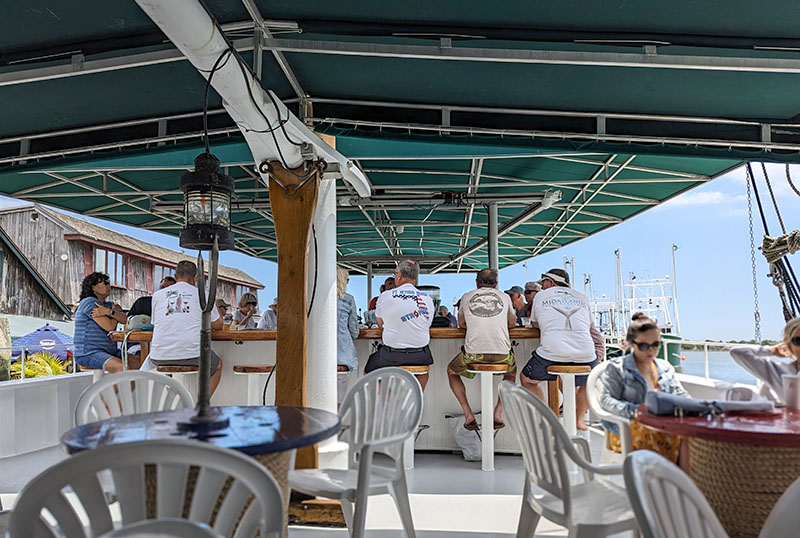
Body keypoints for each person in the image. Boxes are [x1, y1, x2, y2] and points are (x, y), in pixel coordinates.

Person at [600, 313, 689, 468]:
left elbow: (680, 394)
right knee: (668, 438)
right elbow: (606, 400)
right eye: (644, 345)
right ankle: (659, 486)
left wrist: (695, 406)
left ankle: (683, 488)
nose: (651, 350)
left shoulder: (665, 367)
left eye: (656, 345)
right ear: (631, 343)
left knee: (693, 437)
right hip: (627, 429)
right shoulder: (617, 367)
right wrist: (637, 411)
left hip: (663, 425)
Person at [520, 268, 597, 430]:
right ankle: (579, 418)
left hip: (552, 352)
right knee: (588, 383)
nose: (542, 287)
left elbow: (535, 325)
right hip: (587, 354)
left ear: (551, 282)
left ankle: (548, 416)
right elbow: (590, 326)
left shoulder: (541, 296)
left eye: (544, 284)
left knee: (527, 379)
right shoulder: (582, 297)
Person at [448, 269, 517, 430]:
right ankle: (498, 413)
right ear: (496, 284)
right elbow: (512, 323)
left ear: (477, 282)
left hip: (473, 355)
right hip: (502, 355)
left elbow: (462, 324)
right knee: (511, 373)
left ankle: (468, 414)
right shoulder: (505, 297)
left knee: (452, 371)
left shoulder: (466, 296)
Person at [148, 260, 223, 395]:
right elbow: (218, 325)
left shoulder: (157, 295)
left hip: (158, 356)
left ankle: (173, 401)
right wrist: (212, 300)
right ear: (195, 278)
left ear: (175, 277)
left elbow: (155, 323)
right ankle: (201, 406)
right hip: (191, 354)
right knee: (217, 365)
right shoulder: (203, 294)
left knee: (165, 366)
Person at [365, 260, 434, 389]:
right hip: (420, 355)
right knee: (423, 373)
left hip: (392, 355)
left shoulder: (385, 296)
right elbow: (426, 324)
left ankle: (385, 405)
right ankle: (415, 403)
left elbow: (380, 325)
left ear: (399, 275)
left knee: (369, 370)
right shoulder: (427, 298)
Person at [74, 272, 140, 373]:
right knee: (121, 367)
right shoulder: (89, 302)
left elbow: (127, 320)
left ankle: (133, 389)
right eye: (104, 283)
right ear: (93, 288)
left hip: (109, 351)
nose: (108, 286)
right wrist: (115, 312)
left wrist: (110, 312)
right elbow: (109, 326)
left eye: (108, 283)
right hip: (88, 353)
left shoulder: (108, 305)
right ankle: (123, 389)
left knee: (141, 363)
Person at [730, 317, 800, 402]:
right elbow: (738, 352)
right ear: (789, 345)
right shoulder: (778, 371)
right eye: (798, 341)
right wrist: (772, 350)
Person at [336, 267, 359, 402]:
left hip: (318, 357)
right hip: (341, 355)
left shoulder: (317, 298)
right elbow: (354, 332)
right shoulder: (348, 299)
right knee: (339, 401)